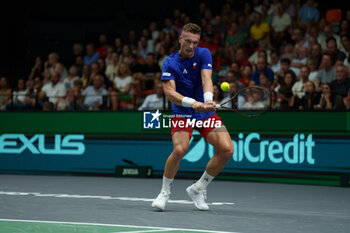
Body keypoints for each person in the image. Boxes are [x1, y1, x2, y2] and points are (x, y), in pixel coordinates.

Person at [152, 23, 233, 211]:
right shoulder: (170, 62)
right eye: (187, 41)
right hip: (182, 111)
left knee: (227, 150)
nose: (191, 46)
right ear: (180, 39)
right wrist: (193, 103)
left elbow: (206, 79)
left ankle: (198, 188)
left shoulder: (204, 53)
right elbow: (170, 93)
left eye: (194, 42)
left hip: (204, 112)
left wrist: (208, 100)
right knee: (180, 150)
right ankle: (164, 193)